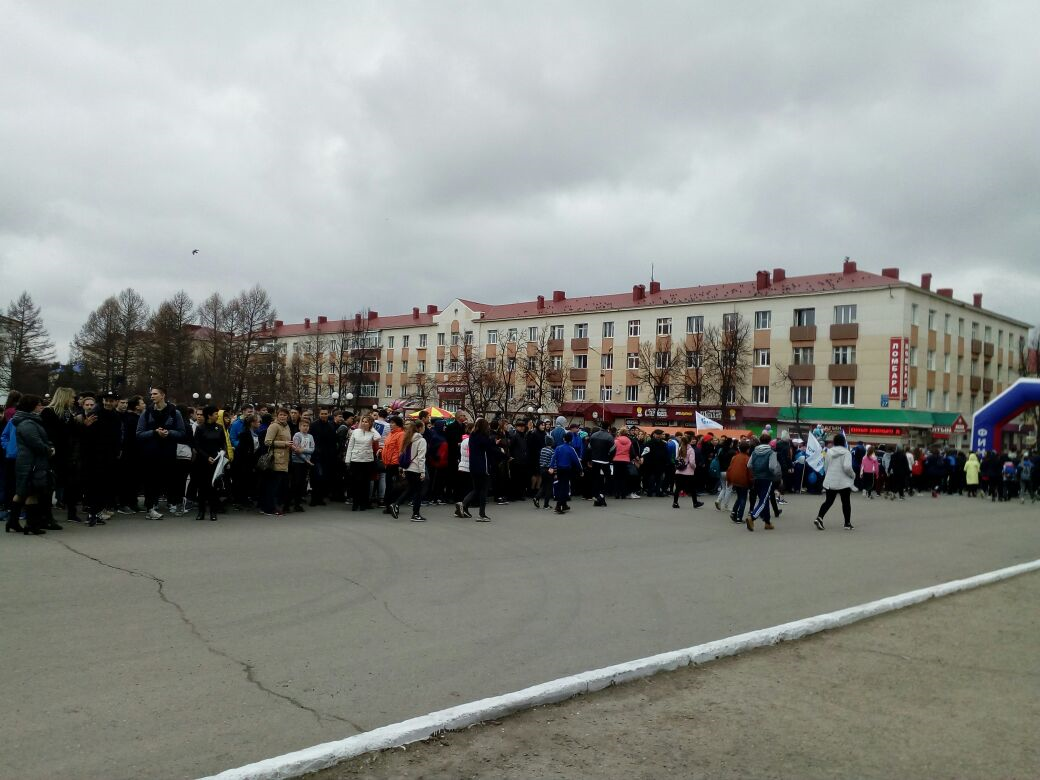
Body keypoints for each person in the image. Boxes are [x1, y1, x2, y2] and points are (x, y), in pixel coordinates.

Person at [136, 387, 188, 520]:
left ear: (163, 395)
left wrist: (169, 433)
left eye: (155, 394)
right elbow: (139, 433)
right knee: (150, 481)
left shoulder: (174, 413)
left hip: (168, 452)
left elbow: (182, 433)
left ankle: (172, 503)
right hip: (150, 452)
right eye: (151, 394)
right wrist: (154, 432)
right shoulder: (146, 413)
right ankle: (150, 507)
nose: (152, 396)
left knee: (169, 479)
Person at [9, 394, 56, 535]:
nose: (41, 406)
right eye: (39, 404)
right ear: (32, 407)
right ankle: (31, 525)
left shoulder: (27, 421)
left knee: (22, 492)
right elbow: (35, 443)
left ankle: (13, 522)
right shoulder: (28, 423)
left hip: (27, 461)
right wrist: (49, 450)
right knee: (32, 492)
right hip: (32, 462)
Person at [814, 433, 857, 530]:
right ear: (843, 442)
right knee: (846, 502)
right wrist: (853, 475)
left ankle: (819, 517)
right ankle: (847, 523)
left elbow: (826, 466)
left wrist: (828, 474)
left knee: (828, 501)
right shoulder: (846, 453)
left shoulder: (829, 452)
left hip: (831, 480)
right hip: (843, 482)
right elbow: (847, 467)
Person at [457, 417, 496, 521]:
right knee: (483, 490)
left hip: (473, 466)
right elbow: (491, 450)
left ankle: (463, 504)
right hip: (482, 467)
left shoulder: (472, 437)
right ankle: (481, 514)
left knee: (477, 489)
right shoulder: (483, 438)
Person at [191, 406, 226, 521]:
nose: (217, 415)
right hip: (202, 461)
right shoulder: (201, 428)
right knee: (202, 487)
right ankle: (201, 511)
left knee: (214, 487)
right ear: (209, 415)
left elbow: (223, 444)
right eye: (215, 414)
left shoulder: (220, 428)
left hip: (216, 462)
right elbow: (196, 445)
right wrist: (206, 457)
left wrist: (222, 452)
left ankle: (213, 511)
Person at [390, 420, 429, 522]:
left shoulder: (407, 439)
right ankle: (415, 514)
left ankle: (396, 504)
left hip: (408, 468)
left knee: (411, 489)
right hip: (416, 469)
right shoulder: (421, 440)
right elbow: (421, 457)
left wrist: (403, 468)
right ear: (419, 428)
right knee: (418, 492)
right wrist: (422, 472)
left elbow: (403, 455)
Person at [343, 415, 381, 511]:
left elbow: (378, 437)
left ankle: (363, 503)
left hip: (367, 461)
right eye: (363, 421)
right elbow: (350, 446)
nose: (364, 423)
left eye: (366, 422)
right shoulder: (355, 432)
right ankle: (355, 503)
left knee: (365, 483)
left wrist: (371, 428)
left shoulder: (372, 433)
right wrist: (348, 460)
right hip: (356, 460)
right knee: (356, 482)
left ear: (370, 423)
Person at [261, 407, 293, 516]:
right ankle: (269, 508)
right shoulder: (274, 426)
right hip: (275, 459)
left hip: (285, 458)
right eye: (281, 415)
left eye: (285, 415)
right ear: (277, 416)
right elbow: (267, 442)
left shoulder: (287, 426)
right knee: (273, 486)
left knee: (281, 486)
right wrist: (284, 444)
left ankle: (277, 506)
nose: (283, 417)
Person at [747, 432, 781, 531]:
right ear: (769, 442)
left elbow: (749, 465)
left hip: (756, 478)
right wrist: (774, 472)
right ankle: (752, 517)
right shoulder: (771, 452)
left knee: (764, 499)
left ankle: (767, 522)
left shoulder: (754, 452)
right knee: (763, 500)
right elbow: (772, 466)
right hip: (767, 478)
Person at [548, 431, 583, 515]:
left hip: (559, 469)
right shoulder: (571, 449)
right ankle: (559, 505)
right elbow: (576, 461)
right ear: (571, 440)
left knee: (561, 486)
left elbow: (554, 458)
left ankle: (564, 505)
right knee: (565, 487)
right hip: (567, 469)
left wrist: (551, 467)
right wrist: (581, 470)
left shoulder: (558, 447)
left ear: (563, 439)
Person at [672, 433, 705, 509]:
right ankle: (695, 502)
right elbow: (692, 462)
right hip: (688, 472)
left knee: (678, 488)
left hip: (679, 471)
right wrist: (694, 467)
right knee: (692, 488)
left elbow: (676, 458)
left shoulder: (680, 448)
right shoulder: (691, 450)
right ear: (689, 441)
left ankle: (675, 503)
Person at [585, 421, 615, 507]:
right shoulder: (609, 437)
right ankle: (602, 495)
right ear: (608, 427)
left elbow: (589, 448)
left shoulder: (593, 435)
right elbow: (613, 450)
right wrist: (609, 458)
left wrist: (589, 459)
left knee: (596, 479)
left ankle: (596, 496)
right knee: (607, 479)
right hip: (605, 461)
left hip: (595, 461)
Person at [290, 418, 315, 512]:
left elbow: (312, 449)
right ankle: (289, 503)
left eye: (307, 426)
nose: (305, 428)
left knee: (302, 484)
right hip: (297, 462)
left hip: (306, 463)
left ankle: (298, 503)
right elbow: (296, 450)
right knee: (295, 483)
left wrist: (303, 450)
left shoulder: (310, 436)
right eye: (303, 426)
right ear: (300, 426)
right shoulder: (297, 435)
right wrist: (305, 458)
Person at [725, 441, 753, 524]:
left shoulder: (735, 457)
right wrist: (751, 482)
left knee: (739, 497)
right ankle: (739, 517)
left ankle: (734, 512)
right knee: (743, 498)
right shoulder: (747, 458)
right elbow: (749, 472)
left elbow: (730, 469)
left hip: (735, 480)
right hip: (743, 480)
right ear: (748, 449)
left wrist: (729, 479)